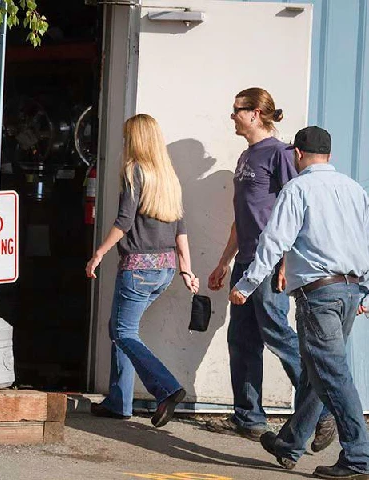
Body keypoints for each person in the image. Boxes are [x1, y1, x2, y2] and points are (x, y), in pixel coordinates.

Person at [229, 126, 369, 479]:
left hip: (319, 293)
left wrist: (247, 284)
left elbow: (273, 242)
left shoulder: (298, 188)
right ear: (330, 155)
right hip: (350, 290)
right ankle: (290, 443)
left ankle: (358, 456)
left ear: (298, 154)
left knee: (332, 374)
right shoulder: (355, 190)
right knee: (314, 371)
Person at [206, 88, 335, 449]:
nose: (232, 116)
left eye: (237, 110)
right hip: (246, 261)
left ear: (255, 113)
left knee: (277, 333)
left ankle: (322, 411)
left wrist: (286, 262)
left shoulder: (278, 153)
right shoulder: (247, 155)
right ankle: (248, 417)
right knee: (241, 339)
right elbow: (242, 215)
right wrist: (224, 260)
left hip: (270, 262)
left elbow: (295, 211)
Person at [86, 113, 199, 427]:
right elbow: (181, 229)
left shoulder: (134, 171)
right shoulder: (167, 176)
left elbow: (124, 221)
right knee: (122, 329)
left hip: (138, 270)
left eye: (126, 137)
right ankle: (119, 401)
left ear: (134, 139)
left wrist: (99, 253)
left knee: (122, 331)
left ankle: (166, 389)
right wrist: (186, 270)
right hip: (164, 269)